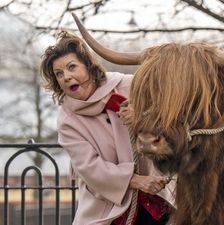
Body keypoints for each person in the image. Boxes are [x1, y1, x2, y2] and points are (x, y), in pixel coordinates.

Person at [40, 31, 175, 225]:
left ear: (88, 66)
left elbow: (171, 121)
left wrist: (143, 119)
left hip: (158, 200)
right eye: (59, 74)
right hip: (109, 210)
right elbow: (90, 168)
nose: (66, 77)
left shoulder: (130, 85)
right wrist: (136, 180)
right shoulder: (67, 121)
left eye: (72, 67)